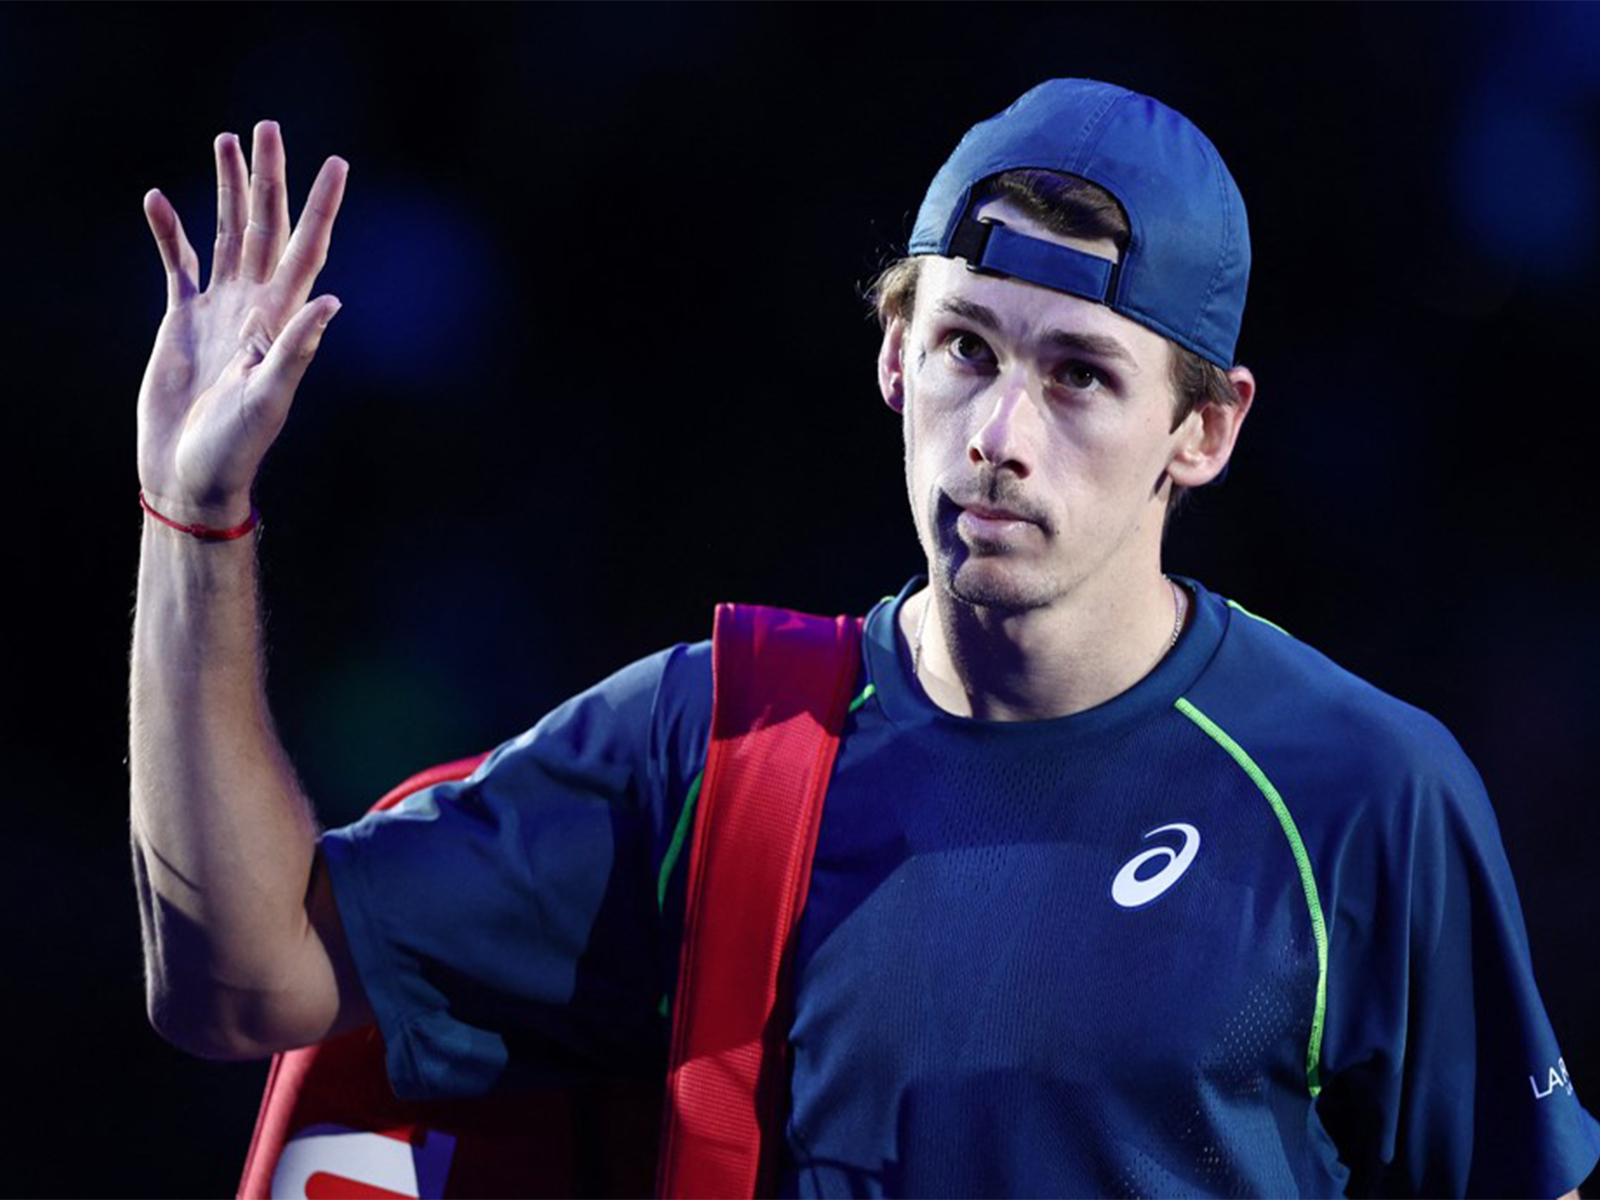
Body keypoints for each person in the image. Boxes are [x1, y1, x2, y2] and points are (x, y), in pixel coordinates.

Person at [130, 79, 1599, 1198]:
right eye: (969, 348)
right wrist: (194, 521)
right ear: (895, 356)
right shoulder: (715, 749)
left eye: (1082, 377)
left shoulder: (1363, 792)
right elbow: (240, 981)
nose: (1003, 438)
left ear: (1203, 431)